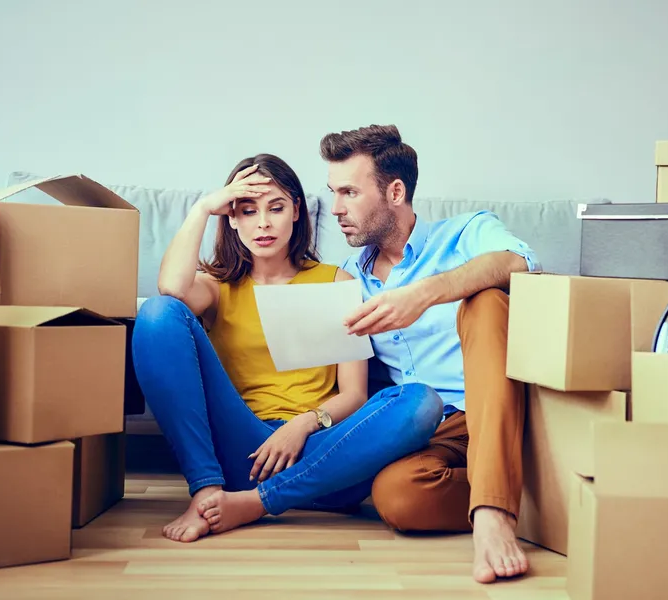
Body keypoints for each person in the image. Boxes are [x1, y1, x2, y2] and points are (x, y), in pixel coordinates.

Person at [131, 154, 444, 543]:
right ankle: (207, 492)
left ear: (296, 211)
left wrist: (302, 425)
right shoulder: (215, 287)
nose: (262, 223)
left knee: (421, 402)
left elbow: (354, 394)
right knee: (158, 314)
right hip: (246, 454)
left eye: (275, 208)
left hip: (325, 455)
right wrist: (202, 208)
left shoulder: (335, 280)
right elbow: (172, 293)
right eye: (247, 211)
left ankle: (257, 503)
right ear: (231, 218)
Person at [319, 125, 539, 584]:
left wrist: (423, 294)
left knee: (486, 298)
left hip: (499, 406)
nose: (336, 208)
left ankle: (494, 513)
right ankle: (532, 497)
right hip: (435, 431)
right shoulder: (347, 281)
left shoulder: (466, 233)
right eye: (332, 192)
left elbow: (518, 262)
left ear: (395, 191)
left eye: (350, 192)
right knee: (396, 496)